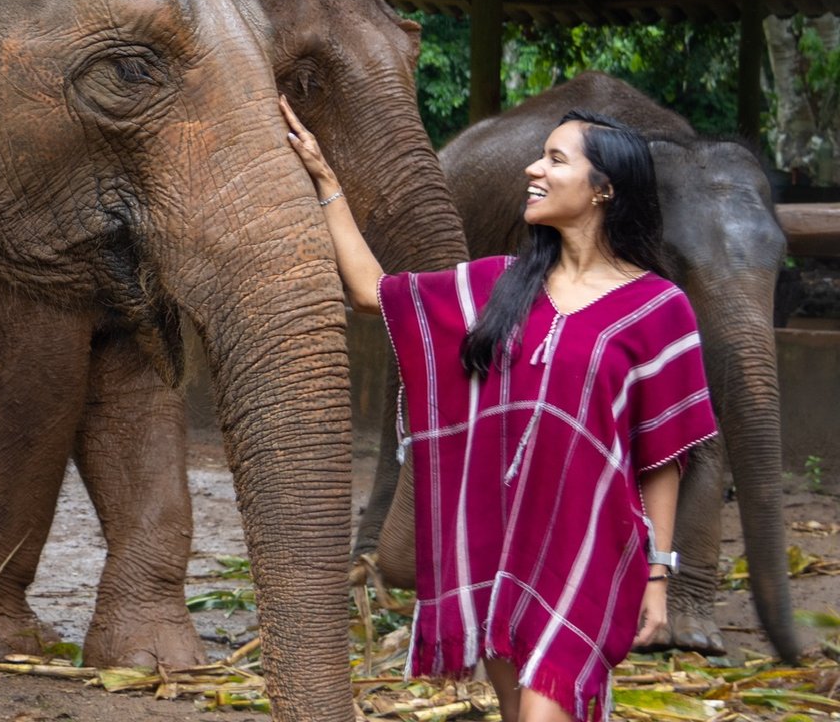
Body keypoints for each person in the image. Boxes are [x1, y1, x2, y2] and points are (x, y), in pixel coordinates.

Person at [282, 97, 717, 722]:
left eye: (555, 159)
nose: (532, 171)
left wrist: (658, 572)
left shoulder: (659, 310)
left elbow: (661, 456)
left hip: (591, 551)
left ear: (604, 189)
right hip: (500, 551)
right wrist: (326, 180)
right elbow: (371, 291)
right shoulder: (498, 285)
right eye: (540, 156)